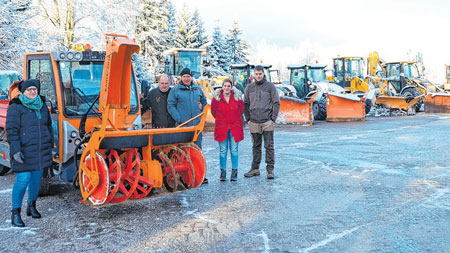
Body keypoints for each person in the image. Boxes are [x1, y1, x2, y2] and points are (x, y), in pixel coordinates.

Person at [6, 79, 53, 227]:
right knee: (22, 180)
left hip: (40, 149)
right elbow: (12, 130)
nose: (33, 92)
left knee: (36, 179)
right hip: (24, 149)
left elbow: (48, 127)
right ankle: (15, 213)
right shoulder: (16, 107)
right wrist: (15, 150)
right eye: (29, 90)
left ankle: (31, 206)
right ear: (23, 91)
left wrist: (49, 144)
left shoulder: (43, 106)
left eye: (35, 89)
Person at [168, 68, 208, 183]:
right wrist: (179, 119)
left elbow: (204, 103)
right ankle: (183, 176)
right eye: (184, 76)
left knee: (197, 150)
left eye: (188, 76)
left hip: (196, 127)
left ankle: (201, 175)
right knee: (183, 150)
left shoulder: (198, 89)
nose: (186, 78)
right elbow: (170, 106)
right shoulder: (175, 90)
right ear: (181, 77)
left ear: (191, 77)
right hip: (183, 126)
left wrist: (201, 114)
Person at [243, 65, 280, 179]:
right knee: (256, 146)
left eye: (260, 73)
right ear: (254, 75)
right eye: (256, 74)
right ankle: (255, 169)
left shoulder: (270, 87)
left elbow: (276, 102)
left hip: (266, 122)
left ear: (263, 74)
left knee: (269, 146)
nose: (258, 76)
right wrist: (248, 118)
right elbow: (246, 104)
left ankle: (270, 170)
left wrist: (272, 119)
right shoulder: (249, 88)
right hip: (254, 122)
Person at [211, 79, 244, 181]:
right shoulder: (216, 99)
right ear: (222, 87)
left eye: (228, 86)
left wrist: (234, 119)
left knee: (234, 150)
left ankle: (234, 172)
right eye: (225, 85)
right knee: (223, 151)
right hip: (222, 127)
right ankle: (223, 172)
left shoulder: (237, 98)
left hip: (234, 127)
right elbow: (213, 112)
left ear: (231, 87)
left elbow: (241, 110)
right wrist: (222, 119)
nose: (226, 88)